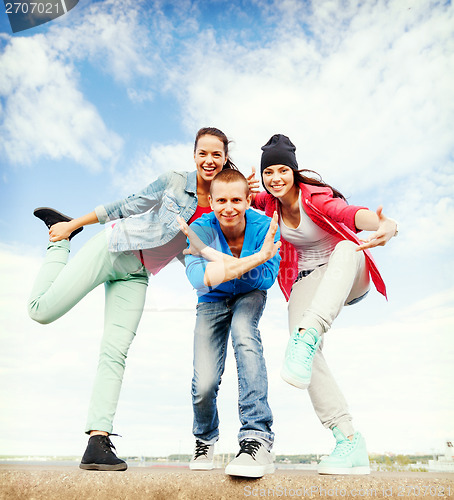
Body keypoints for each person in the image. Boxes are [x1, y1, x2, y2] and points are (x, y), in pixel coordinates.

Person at [28, 127, 236, 471]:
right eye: (203, 153)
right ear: (194, 154)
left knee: (115, 351)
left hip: (136, 275)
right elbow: (127, 204)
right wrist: (72, 226)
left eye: (217, 154)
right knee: (41, 311)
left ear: (225, 157)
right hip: (113, 248)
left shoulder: (218, 208)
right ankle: (58, 243)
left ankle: (98, 440)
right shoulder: (173, 182)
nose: (209, 160)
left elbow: (204, 252)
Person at [249, 134, 398, 475]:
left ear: (294, 171)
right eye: (268, 171)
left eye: (282, 170)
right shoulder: (266, 203)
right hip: (309, 278)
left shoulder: (315, 197)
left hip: (349, 270)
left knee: (346, 248)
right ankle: (348, 440)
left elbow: (348, 213)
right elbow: (227, 197)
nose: (275, 178)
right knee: (301, 353)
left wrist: (387, 225)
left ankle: (310, 332)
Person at [178, 168, 281, 478]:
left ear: (248, 200)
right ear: (211, 201)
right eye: (221, 200)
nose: (229, 207)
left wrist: (218, 261)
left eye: (237, 199)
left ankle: (257, 438)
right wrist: (256, 258)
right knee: (204, 383)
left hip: (250, 295)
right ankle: (205, 438)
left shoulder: (266, 227)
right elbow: (199, 280)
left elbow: (265, 278)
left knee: (244, 335)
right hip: (211, 300)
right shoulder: (200, 228)